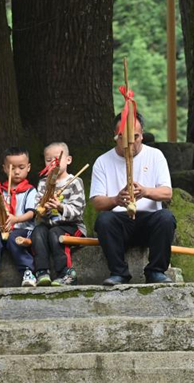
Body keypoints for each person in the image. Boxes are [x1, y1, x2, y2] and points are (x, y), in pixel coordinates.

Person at [90, 112, 175, 286]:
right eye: (124, 137)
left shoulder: (155, 155)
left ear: (142, 135)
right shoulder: (102, 161)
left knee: (166, 218)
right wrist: (115, 200)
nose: (130, 142)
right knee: (104, 220)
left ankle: (156, 271)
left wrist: (145, 192)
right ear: (116, 137)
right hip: (120, 222)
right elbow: (97, 202)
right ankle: (119, 273)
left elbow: (167, 193)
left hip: (149, 220)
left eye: (135, 136)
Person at [0, 147, 38, 289]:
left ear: (28, 168)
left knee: (14, 238)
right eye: (11, 168)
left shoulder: (30, 191)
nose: (16, 171)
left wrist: (15, 219)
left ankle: (28, 271)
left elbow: (31, 213)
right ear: (4, 168)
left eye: (21, 167)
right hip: (4, 228)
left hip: (24, 228)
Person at [32, 142, 87, 287]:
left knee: (56, 233)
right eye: (48, 160)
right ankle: (42, 272)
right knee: (38, 231)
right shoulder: (44, 183)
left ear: (68, 160)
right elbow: (37, 207)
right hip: (49, 224)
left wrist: (60, 207)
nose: (53, 163)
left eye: (57, 159)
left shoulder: (75, 182)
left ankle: (66, 274)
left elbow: (78, 211)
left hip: (72, 226)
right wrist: (44, 208)